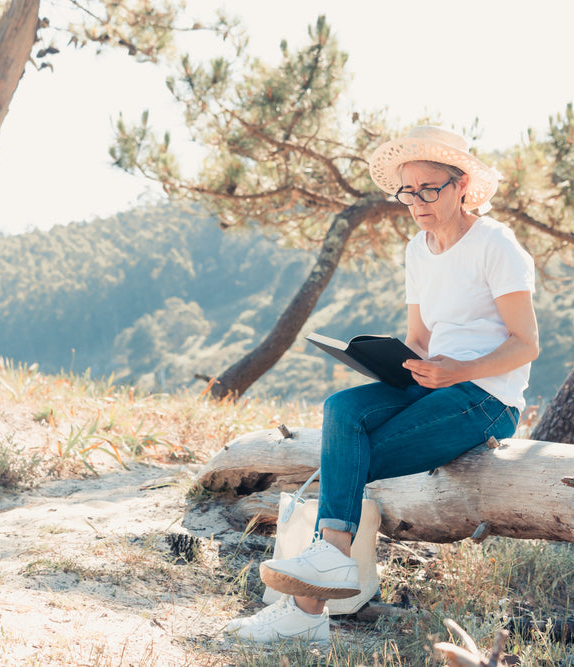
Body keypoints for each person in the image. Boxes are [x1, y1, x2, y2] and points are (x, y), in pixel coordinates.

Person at [225, 125, 539, 645]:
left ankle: (308, 609)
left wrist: (453, 372)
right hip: (431, 383)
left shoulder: (496, 244)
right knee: (343, 409)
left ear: (461, 186)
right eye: (407, 191)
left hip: (485, 398)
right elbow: (419, 338)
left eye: (429, 189)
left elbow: (526, 345)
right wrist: (388, 365)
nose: (416, 201)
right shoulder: (418, 249)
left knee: (349, 460)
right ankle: (322, 586)